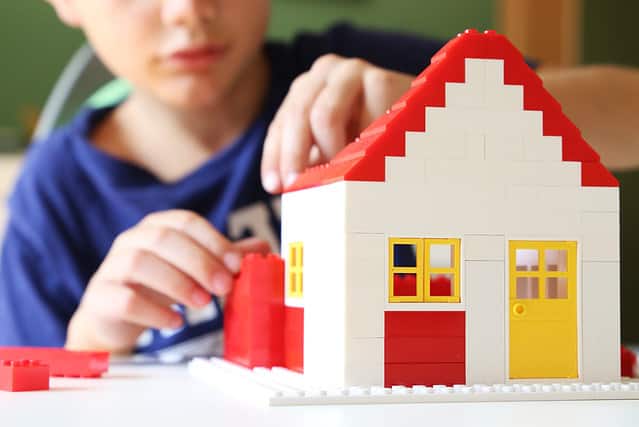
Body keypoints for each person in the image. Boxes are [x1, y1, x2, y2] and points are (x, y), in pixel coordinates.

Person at [2, 0, 638, 357]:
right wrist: (92, 341)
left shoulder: (362, 71)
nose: (188, 11)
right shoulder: (53, 194)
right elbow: (41, 386)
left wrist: (443, 103)